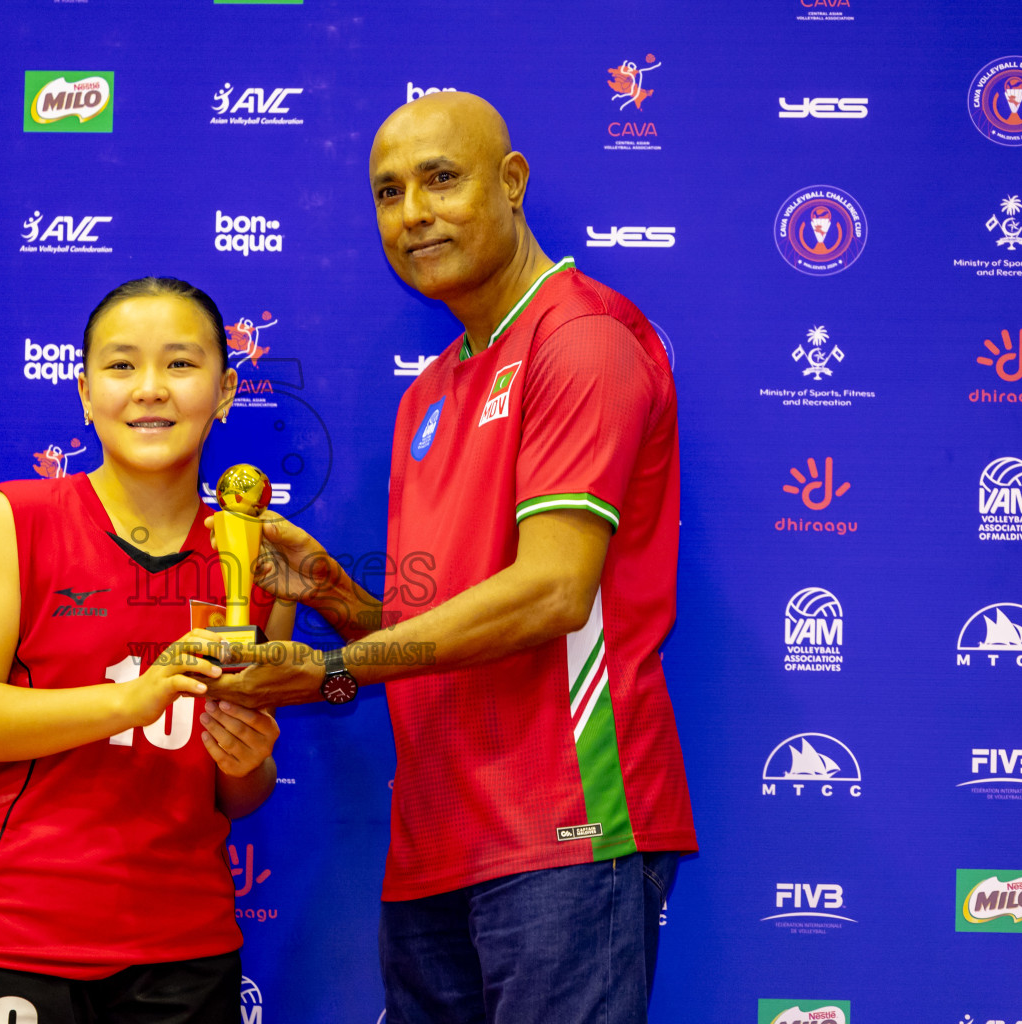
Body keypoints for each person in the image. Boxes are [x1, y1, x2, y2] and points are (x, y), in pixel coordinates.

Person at [208, 92, 697, 1022]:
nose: (414, 214)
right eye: (389, 193)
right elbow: (442, 635)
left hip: (563, 822)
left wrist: (336, 668)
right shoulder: (429, 391)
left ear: (512, 184)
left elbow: (552, 592)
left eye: (441, 179)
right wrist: (336, 598)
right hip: (436, 836)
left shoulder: (582, 338)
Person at [0, 277, 294, 1024]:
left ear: (225, 391)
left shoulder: (256, 560)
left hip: (186, 952)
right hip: (16, 938)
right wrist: (130, 699)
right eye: (122, 366)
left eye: (181, 366)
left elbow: (239, 794)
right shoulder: (20, 518)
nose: (151, 390)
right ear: (86, 394)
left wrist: (247, 755)